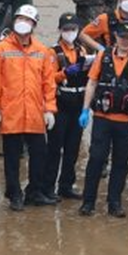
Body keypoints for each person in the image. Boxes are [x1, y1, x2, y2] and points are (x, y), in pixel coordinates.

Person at [0, 4, 58, 211]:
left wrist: (49, 109)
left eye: (27, 20)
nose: (23, 23)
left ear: (33, 25)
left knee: (39, 156)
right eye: (20, 19)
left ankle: (34, 191)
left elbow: (48, 83)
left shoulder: (42, 51)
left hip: (34, 113)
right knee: (12, 158)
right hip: (11, 113)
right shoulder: (0, 50)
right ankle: (14, 194)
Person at [78, 20, 128, 217]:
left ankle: (114, 202)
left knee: (121, 163)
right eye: (122, 37)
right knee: (96, 159)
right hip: (102, 118)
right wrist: (85, 110)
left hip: (126, 121)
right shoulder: (103, 56)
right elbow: (92, 83)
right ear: (116, 37)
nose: (125, 41)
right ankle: (88, 202)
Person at [44, 13, 91, 200]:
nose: (69, 33)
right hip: (60, 104)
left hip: (78, 103)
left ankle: (66, 185)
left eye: (73, 29)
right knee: (55, 148)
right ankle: (48, 187)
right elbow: (48, 79)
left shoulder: (82, 51)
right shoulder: (53, 52)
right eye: (66, 29)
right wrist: (64, 73)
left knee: (73, 148)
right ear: (59, 30)